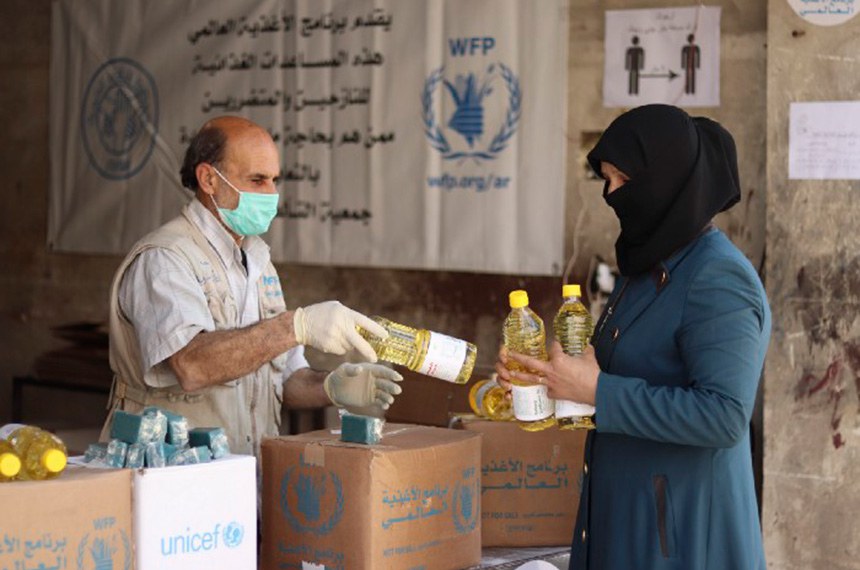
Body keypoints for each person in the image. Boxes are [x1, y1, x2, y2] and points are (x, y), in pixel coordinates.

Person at [495, 104, 771, 569]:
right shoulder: (649, 267)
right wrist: (549, 378)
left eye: (622, 179)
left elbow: (724, 416)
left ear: (665, 179)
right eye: (606, 179)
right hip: (626, 516)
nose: (611, 194)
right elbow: (617, 373)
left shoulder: (718, 278)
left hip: (679, 537)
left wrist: (596, 390)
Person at [101, 115, 402, 458]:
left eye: (274, 180)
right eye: (257, 180)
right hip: (172, 474)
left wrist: (331, 387)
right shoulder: (166, 258)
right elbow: (192, 365)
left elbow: (286, 381)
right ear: (208, 179)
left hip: (242, 474)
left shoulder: (258, 262)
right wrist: (294, 326)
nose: (271, 194)